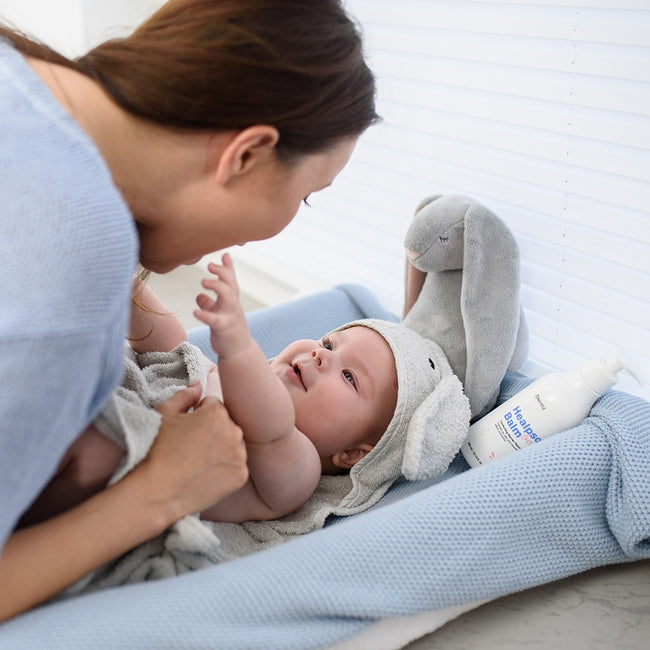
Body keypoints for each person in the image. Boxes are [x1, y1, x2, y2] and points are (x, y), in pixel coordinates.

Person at [0, 0, 378, 621]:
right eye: (307, 196)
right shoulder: (70, 253)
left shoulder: (28, 78)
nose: (317, 356)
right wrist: (160, 490)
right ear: (247, 154)